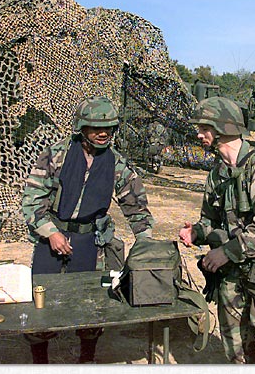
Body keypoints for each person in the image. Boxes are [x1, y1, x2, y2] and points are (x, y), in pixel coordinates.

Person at [22, 96, 154, 364]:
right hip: (53, 237)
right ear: (81, 128)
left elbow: (136, 207)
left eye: (108, 128)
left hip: (91, 241)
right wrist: (51, 232)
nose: (103, 133)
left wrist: (147, 244)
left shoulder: (118, 164)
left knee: (93, 303)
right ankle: (40, 362)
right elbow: (32, 200)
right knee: (42, 303)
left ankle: (87, 359)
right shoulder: (56, 155)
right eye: (95, 128)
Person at [179, 97, 255, 364]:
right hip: (231, 274)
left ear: (223, 128)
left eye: (204, 127)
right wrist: (197, 232)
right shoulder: (217, 172)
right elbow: (211, 220)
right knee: (235, 347)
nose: (198, 134)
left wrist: (226, 252)